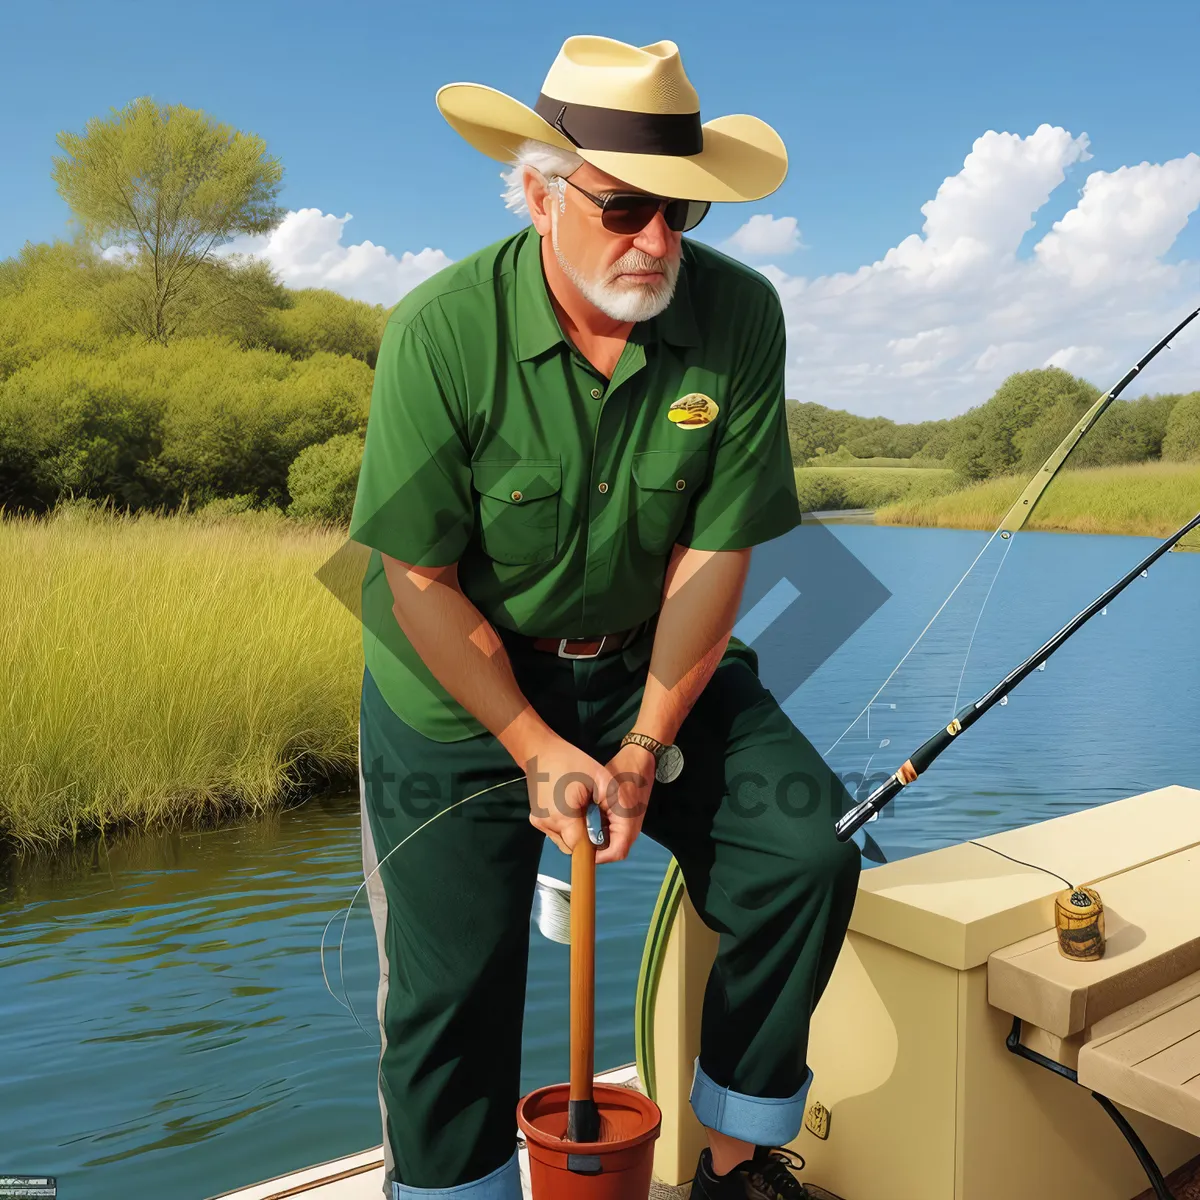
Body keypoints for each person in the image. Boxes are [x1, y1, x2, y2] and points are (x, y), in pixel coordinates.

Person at [348, 34, 861, 1200]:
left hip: (648, 665)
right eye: (627, 206)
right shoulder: (440, 331)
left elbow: (712, 550)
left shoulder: (738, 317)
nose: (659, 243)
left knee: (806, 853)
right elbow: (416, 579)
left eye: (684, 213)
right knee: (449, 993)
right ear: (538, 194)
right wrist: (532, 749)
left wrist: (641, 747)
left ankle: (738, 1157)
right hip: (456, 692)